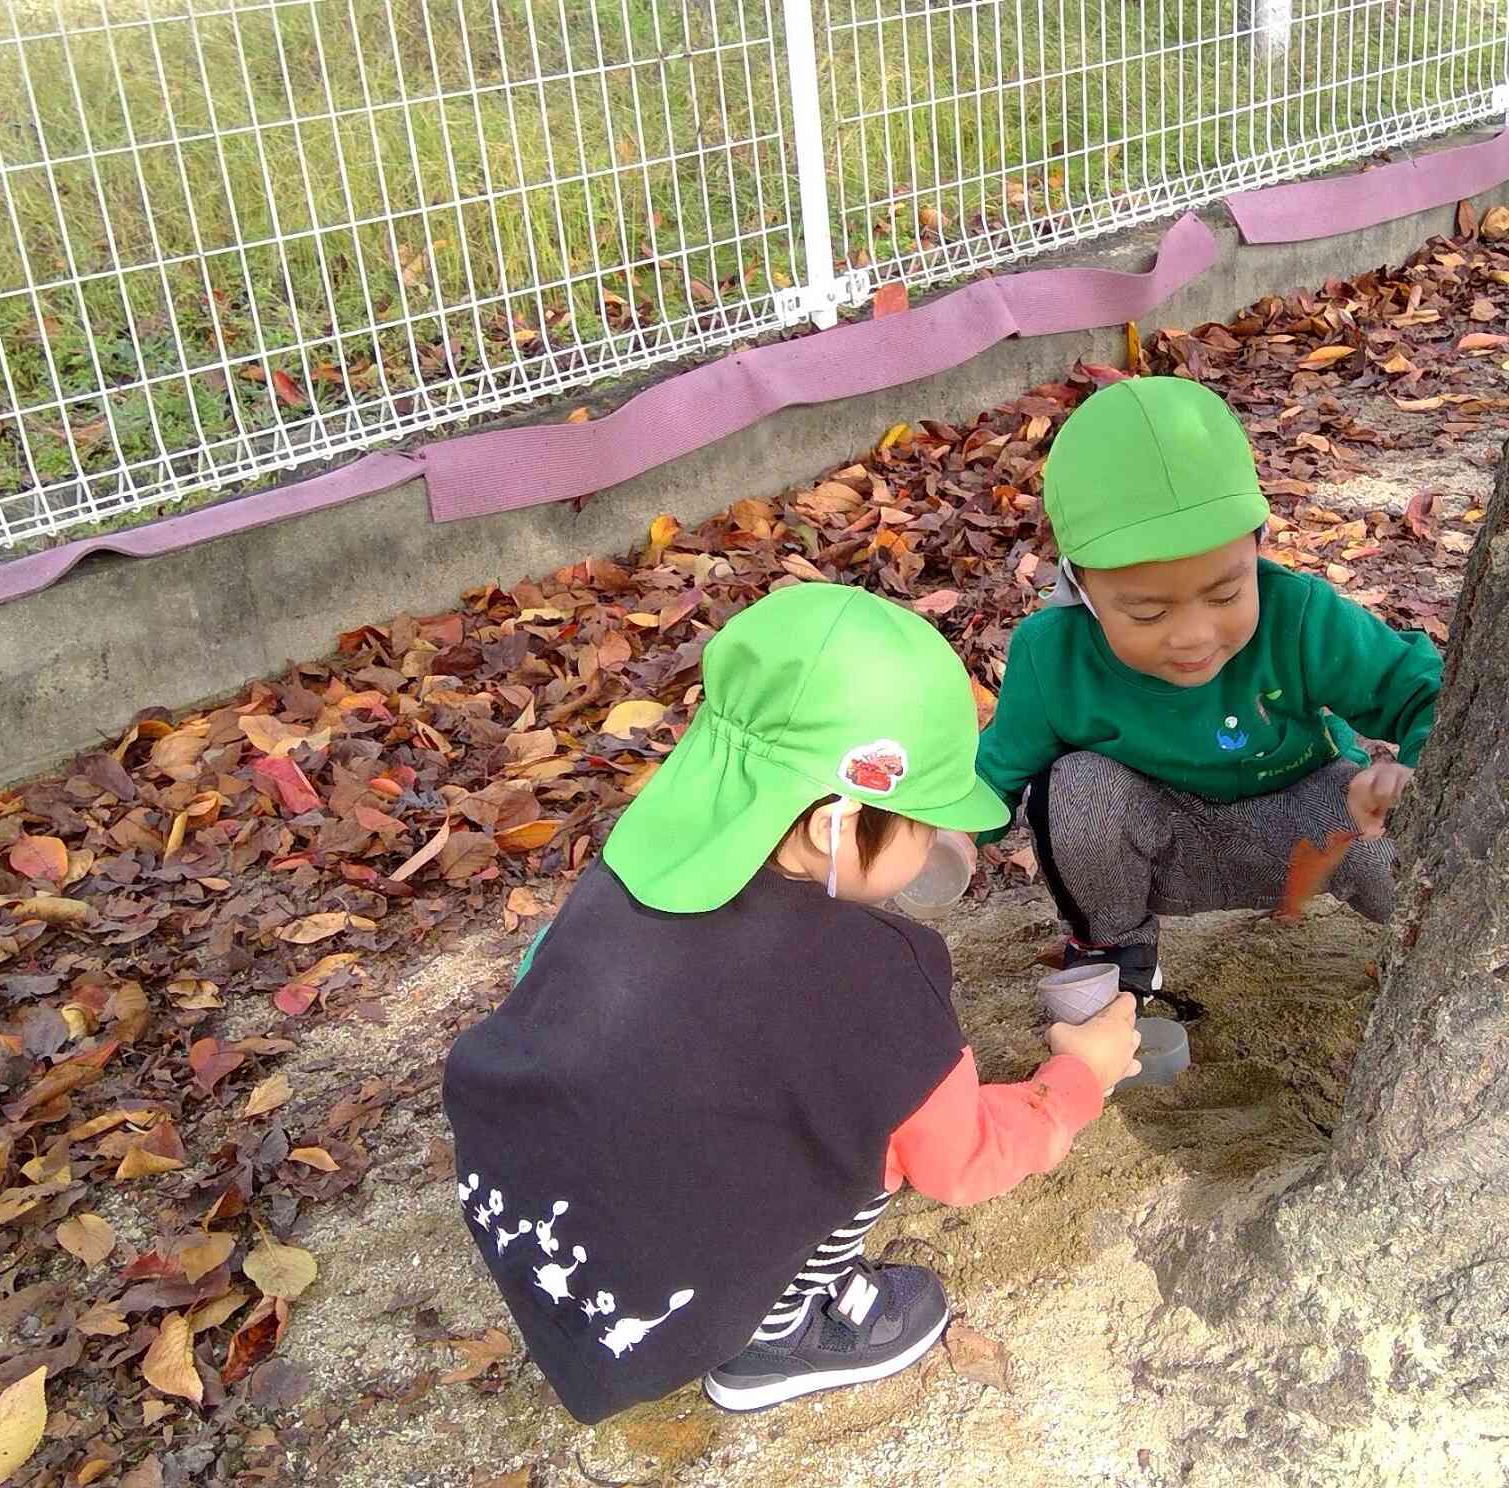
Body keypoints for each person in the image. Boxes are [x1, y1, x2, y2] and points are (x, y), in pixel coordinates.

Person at [442, 583, 1143, 1424]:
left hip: (527, 1209)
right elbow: (961, 1162)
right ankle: (776, 1337)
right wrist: (1076, 1080)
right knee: (870, 1126)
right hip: (660, 1292)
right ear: (834, 828)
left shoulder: (633, 864)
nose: (933, 844)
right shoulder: (875, 975)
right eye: (920, 821)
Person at [975, 376, 1443, 1019]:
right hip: (1160, 839)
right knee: (1074, 788)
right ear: (1079, 586)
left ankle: (1441, 955)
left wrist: (1411, 774)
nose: (1193, 637)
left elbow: (1427, 690)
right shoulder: (1053, 653)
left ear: (1257, 544)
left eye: (1225, 594)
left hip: (1304, 826)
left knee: (1404, 843)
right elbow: (998, 771)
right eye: (1145, 612)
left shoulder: (1299, 615)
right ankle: (1115, 948)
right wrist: (942, 836)